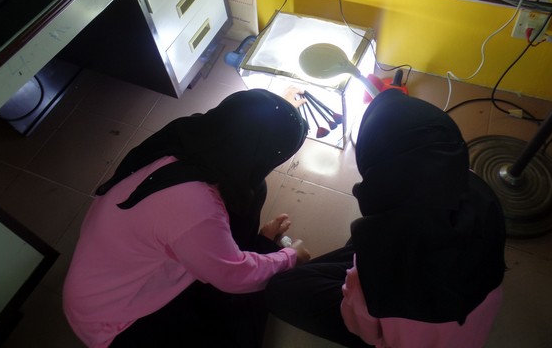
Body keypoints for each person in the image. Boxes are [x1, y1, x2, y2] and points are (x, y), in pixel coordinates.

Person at [63, 88, 311, 348]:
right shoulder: (197, 208)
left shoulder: (187, 136)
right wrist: (289, 258)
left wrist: (281, 113)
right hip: (113, 323)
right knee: (238, 330)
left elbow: (247, 123)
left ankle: (246, 251)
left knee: (254, 190)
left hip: (103, 284)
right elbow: (232, 276)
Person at [265, 89, 506, 348]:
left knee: (280, 290)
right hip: (464, 309)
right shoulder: (479, 191)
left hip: (406, 330)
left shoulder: (382, 271)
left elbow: (364, 327)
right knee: (362, 243)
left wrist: (357, 276)